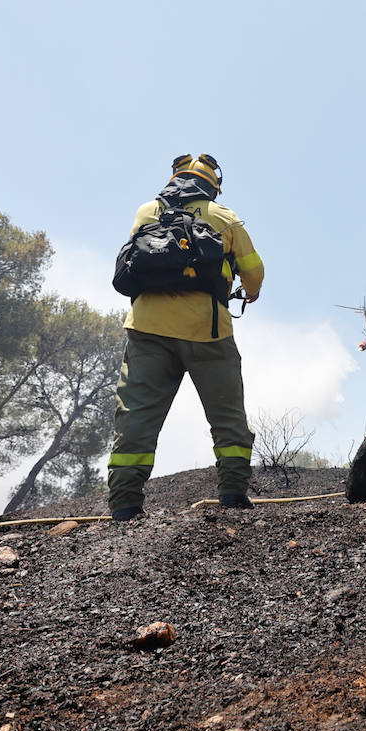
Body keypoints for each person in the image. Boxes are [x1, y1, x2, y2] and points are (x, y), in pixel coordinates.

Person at [107, 153, 265, 521]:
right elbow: (254, 272)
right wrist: (250, 290)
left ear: (174, 179)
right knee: (226, 414)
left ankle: (125, 503)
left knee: (137, 417)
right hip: (207, 332)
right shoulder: (224, 217)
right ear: (212, 185)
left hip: (147, 331)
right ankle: (233, 494)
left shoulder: (146, 212)